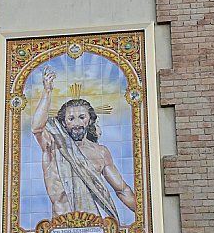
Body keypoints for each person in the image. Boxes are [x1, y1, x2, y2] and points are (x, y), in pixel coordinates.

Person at [31, 66, 136, 222]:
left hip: (94, 225)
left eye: (82, 117)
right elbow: (37, 127)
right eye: (71, 119)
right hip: (61, 225)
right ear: (64, 123)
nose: (77, 123)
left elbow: (122, 190)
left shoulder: (100, 152)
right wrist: (47, 91)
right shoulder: (53, 145)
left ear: (90, 120)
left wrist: (145, 215)